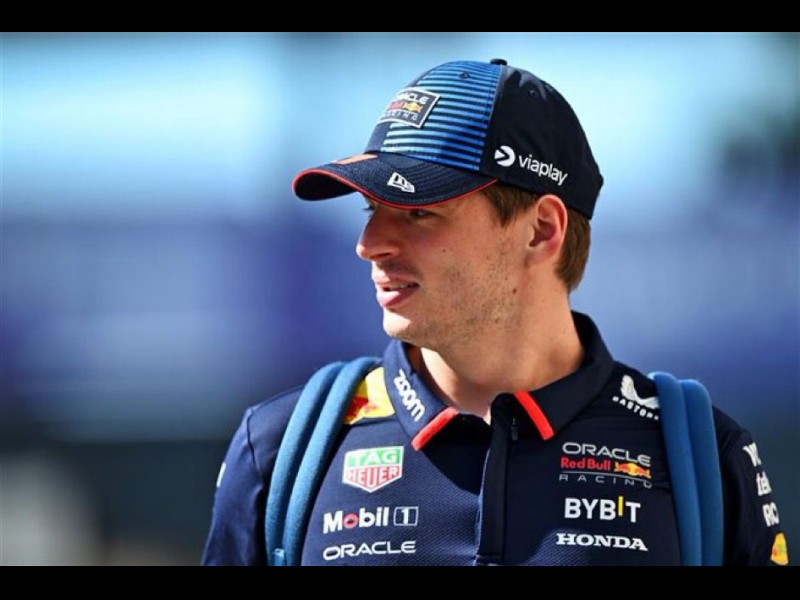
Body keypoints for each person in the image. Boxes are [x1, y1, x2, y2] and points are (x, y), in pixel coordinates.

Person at [201, 58, 789, 566]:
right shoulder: (285, 448)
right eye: (370, 210)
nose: (369, 244)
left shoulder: (698, 455)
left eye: (418, 212)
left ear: (541, 230)